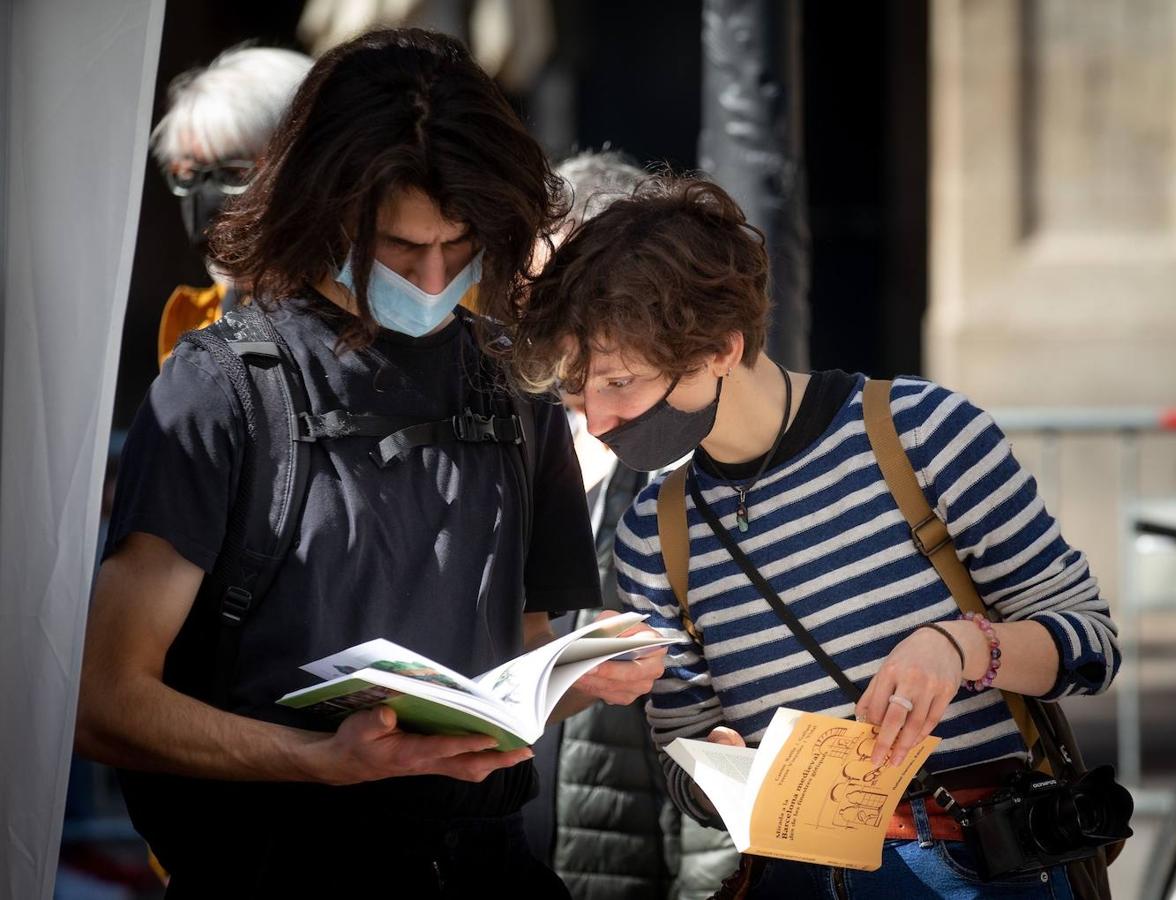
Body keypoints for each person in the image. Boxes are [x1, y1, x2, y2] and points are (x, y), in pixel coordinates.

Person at [76, 28, 663, 898]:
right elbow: (104, 698)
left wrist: (582, 676)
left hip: (490, 873)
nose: (432, 278)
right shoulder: (216, 387)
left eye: (460, 248)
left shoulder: (514, 382)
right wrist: (318, 760)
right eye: (397, 247)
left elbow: (526, 659)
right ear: (322, 213)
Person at [506, 174, 1121, 898]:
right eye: (580, 397)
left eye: (619, 384)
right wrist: (716, 773)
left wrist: (962, 648)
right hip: (794, 877)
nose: (600, 422)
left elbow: (1090, 646)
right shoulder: (654, 532)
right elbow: (682, 757)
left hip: (979, 864)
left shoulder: (924, 434)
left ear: (720, 349)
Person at [520, 150, 740, 899]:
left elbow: (720, 735)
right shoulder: (522, 425)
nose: (541, 313)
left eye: (563, 285)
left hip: (631, 865)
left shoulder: (681, 447)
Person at [150, 45, 313, 365]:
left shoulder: (358, 328)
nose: (206, 197)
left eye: (235, 172)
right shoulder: (196, 324)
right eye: (189, 174)